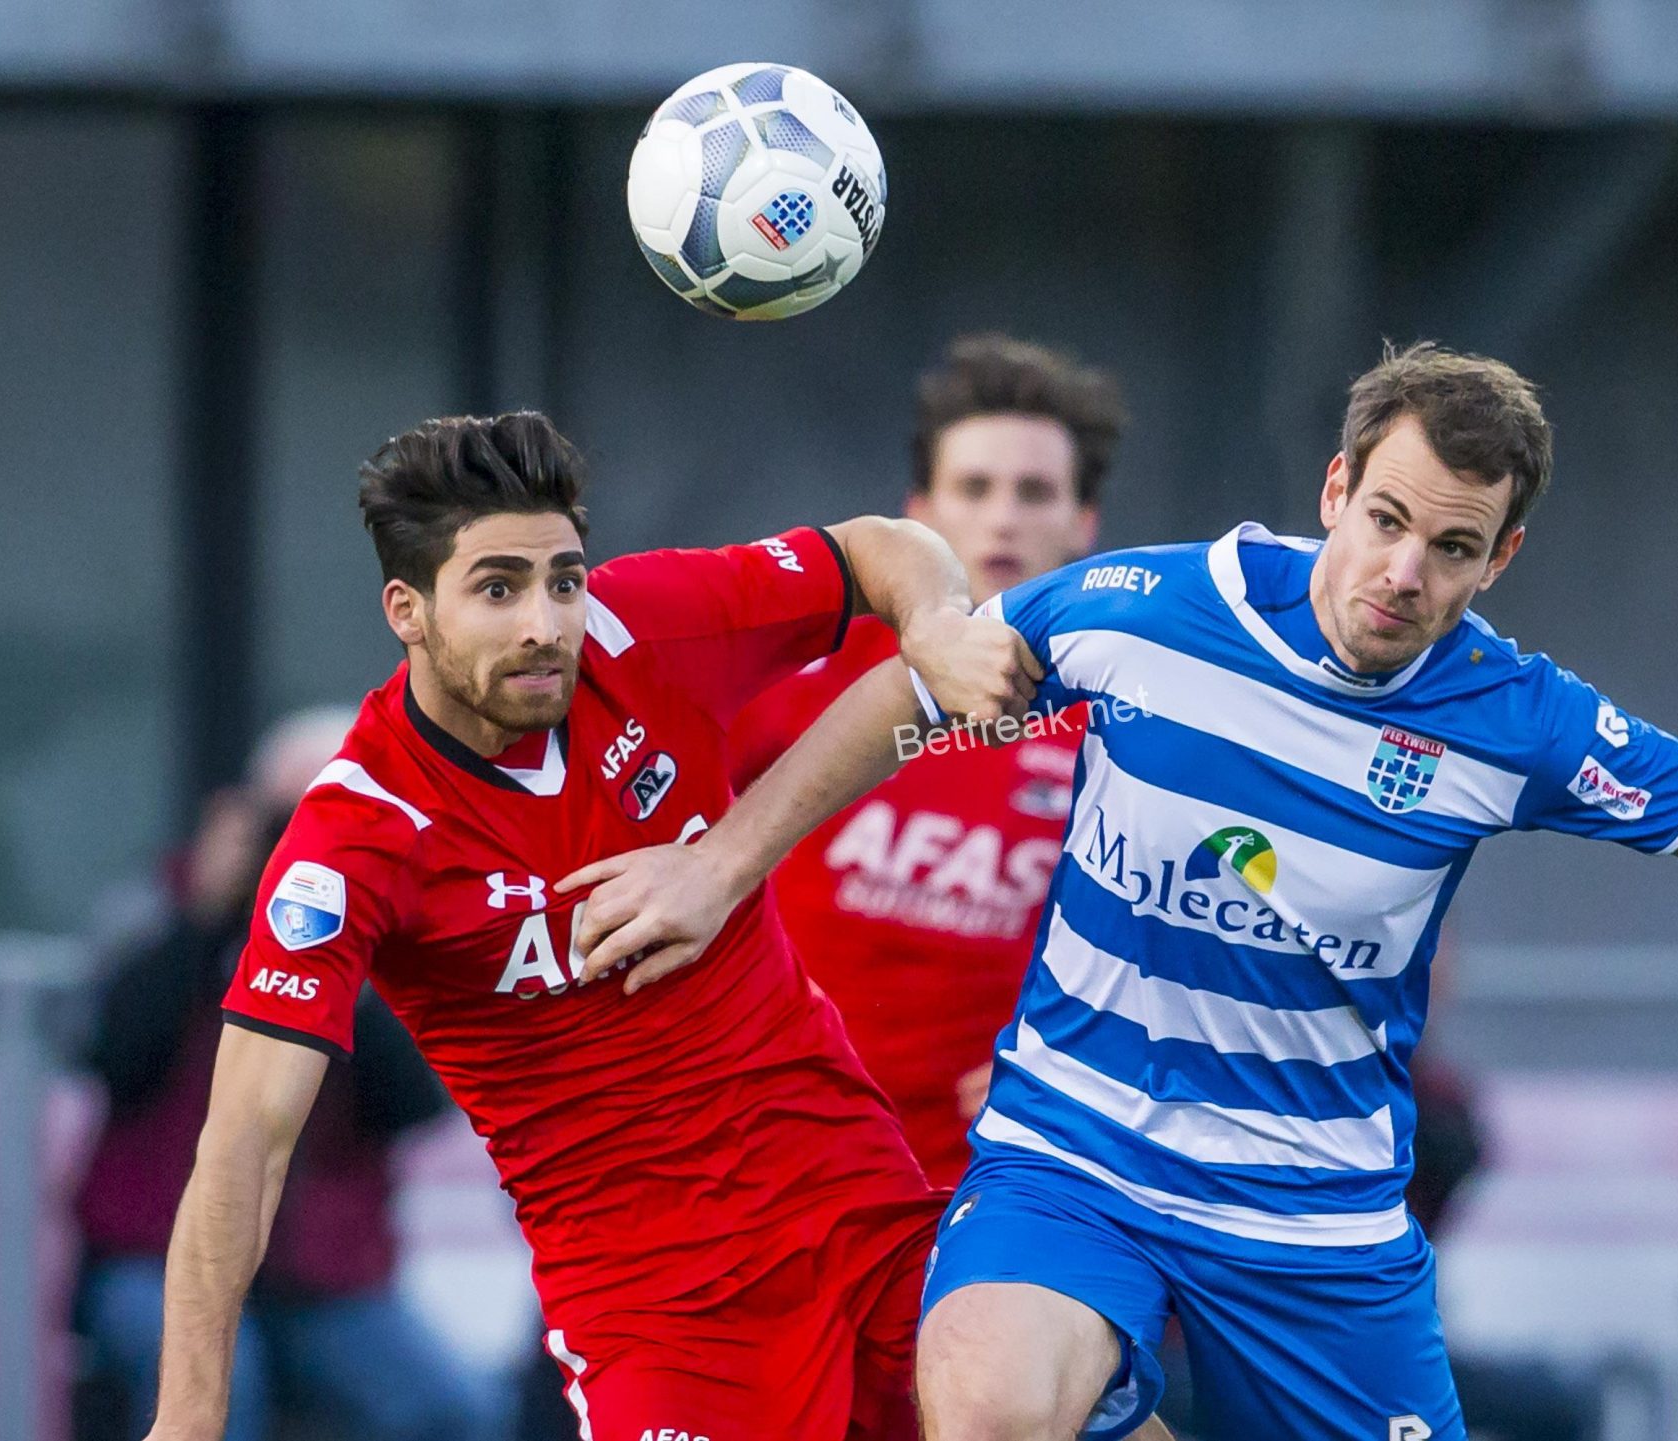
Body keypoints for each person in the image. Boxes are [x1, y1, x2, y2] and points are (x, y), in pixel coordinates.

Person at [564, 342, 1678, 1441]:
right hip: (1070, 1160)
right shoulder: (1138, 608)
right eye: (1385, 522)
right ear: (1335, 488)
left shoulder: (1522, 721)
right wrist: (720, 864)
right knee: (980, 1402)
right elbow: (910, 694)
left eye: (1452, 548)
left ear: (1501, 555)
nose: (1402, 575)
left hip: (1312, 1220)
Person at [140, 411, 1043, 1441]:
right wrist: (187, 1418)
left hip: (864, 1219)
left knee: (1074, 1417)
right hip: (661, 1317)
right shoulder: (355, 840)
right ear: (409, 609)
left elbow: (885, 546)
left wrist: (928, 626)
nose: (546, 620)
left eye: (563, 578)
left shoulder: (641, 626)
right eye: (497, 589)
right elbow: (243, 1148)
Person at [728, 333, 1124, 1185]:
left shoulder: (1121, 723)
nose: (1004, 516)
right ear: (921, 515)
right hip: (762, 1152)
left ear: (1083, 525)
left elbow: (1202, 934)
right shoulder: (809, 672)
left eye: (1035, 491)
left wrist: (1097, 1058)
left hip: (981, 1185)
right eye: (975, 488)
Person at [72, 710, 474, 1441]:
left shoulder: (390, 925)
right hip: (154, 1255)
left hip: (320, 1275)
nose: (298, 839)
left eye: (327, 813)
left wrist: (345, 944)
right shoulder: (159, 915)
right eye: (284, 817)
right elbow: (108, 1057)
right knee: (222, 1394)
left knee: (450, 1405)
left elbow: (417, 1103)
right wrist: (205, 917)